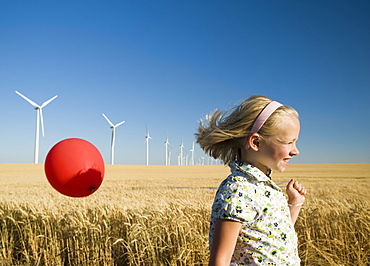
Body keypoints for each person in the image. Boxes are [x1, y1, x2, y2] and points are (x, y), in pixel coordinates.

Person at [195, 95, 307, 266]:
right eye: (289, 142)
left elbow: (278, 237)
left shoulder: (263, 187)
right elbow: (220, 261)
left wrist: (294, 203)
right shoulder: (238, 191)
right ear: (255, 142)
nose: (296, 151)